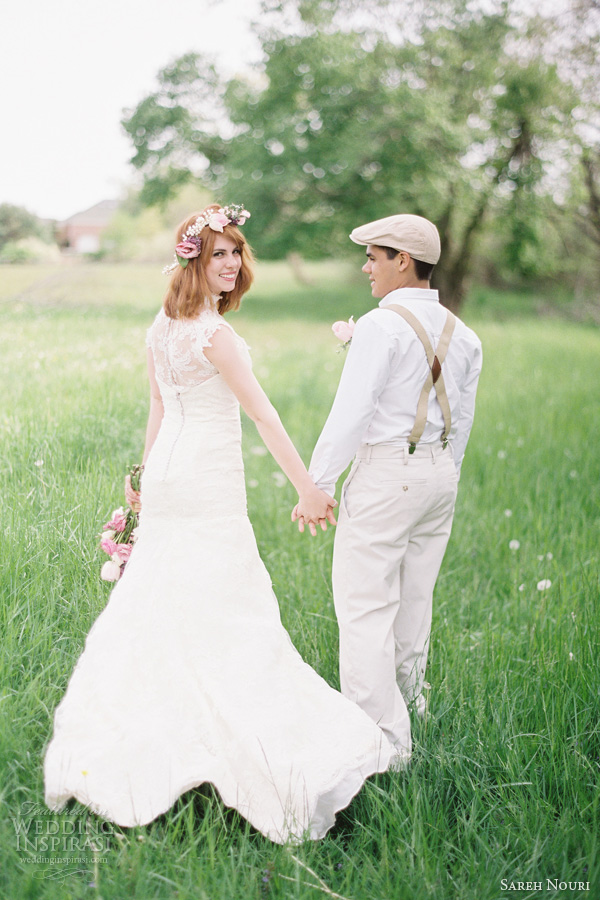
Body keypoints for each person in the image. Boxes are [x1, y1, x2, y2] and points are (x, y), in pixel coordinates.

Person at [43, 204, 396, 845]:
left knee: (164, 601)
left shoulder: (162, 326)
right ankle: (248, 749)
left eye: (238, 252)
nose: (232, 265)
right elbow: (262, 416)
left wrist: (146, 474)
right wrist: (309, 487)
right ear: (194, 261)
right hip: (201, 482)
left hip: (175, 474)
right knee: (227, 608)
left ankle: (157, 738)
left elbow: (157, 405)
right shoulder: (214, 337)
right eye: (219, 255)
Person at [293, 214, 482, 759]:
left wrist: (318, 482)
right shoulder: (464, 334)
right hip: (439, 476)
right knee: (413, 601)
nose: (366, 266)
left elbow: (353, 411)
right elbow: (462, 420)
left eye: (374, 256)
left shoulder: (382, 325)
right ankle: (411, 708)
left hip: (385, 477)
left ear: (403, 260)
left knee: (364, 609)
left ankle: (381, 745)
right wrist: (444, 473)